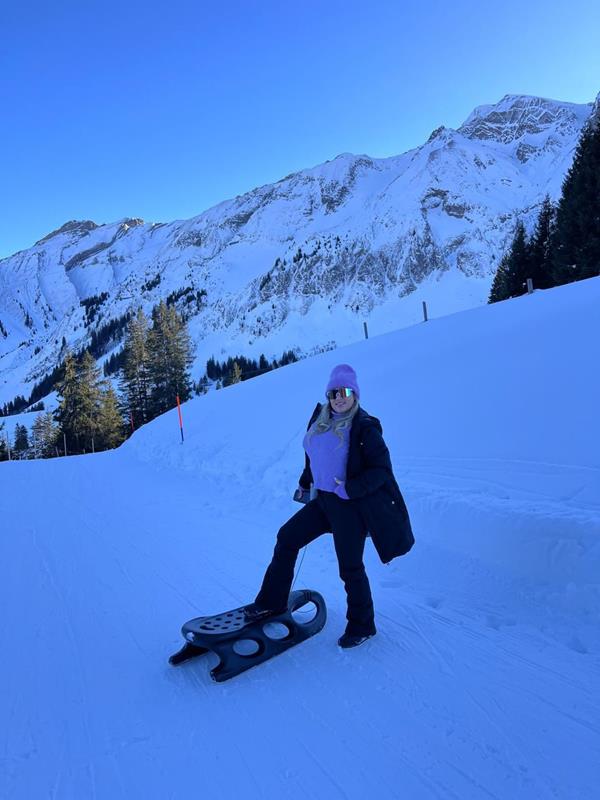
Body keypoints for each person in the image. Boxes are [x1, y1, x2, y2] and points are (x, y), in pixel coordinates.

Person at [246, 363, 414, 648]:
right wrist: (306, 482)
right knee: (287, 538)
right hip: (323, 502)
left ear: (355, 394)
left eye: (345, 391)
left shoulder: (364, 427)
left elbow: (381, 471)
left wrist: (350, 489)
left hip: (350, 507)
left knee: (350, 567)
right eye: (333, 392)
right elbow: (315, 459)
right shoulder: (322, 420)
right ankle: (271, 603)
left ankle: (363, 626)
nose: (339, 397)